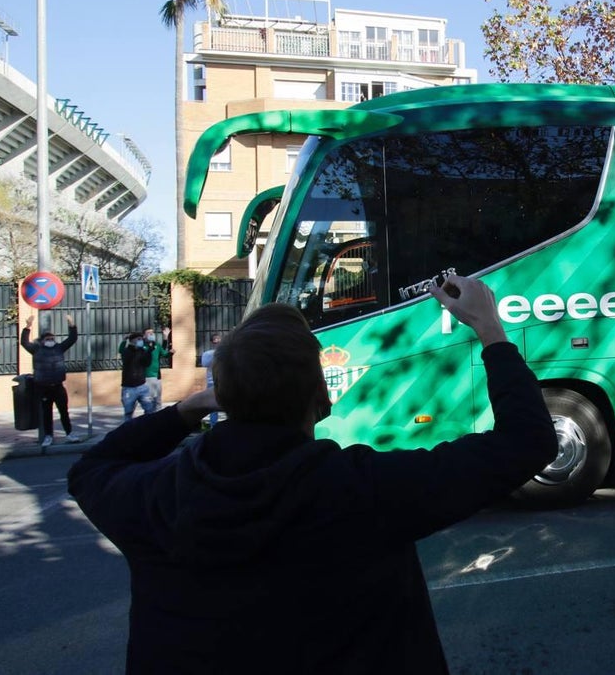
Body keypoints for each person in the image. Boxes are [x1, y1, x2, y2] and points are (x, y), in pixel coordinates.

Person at [68, 275, 558, 674]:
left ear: (224, 397)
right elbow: (527, 442)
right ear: (321, 401)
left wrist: (187, 409)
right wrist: (489, 330)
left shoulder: (153, 497)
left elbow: (93, 467)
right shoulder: (362, 490)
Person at [20, 313, 80, 447]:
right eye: (48, 338)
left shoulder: (59, 348)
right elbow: (24, 342)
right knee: (47, 413)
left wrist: (72, 324)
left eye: (52, 338)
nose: (51, 340)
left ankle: (69, 433)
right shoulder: (36, 349)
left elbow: (72, 339)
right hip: (43, 387)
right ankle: (48, 436)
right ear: (42, 340)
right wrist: (28, 327)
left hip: (58, 386)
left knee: (64, 411)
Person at [118, 332, 155, 420]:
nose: (140, 341)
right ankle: (128, 431)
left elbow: (147, 363)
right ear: (132, 341)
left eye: (141, 339)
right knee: (128, 412)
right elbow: (124, 354)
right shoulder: (127, 351)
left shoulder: (142, 351)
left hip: (142, 385)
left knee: (149, 409)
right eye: (138, 339)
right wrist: (126, 341)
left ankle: (148, 428)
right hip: (129, 388)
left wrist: (149, 349)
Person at [142, 326, 174, 408]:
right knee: (150, 399)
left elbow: (164, 354)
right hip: (148, 376)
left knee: (158, 399)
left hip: (157, 376)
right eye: (149, 333)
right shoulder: (142, 347)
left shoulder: (157, 345)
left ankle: (158, 417)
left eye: (152, 333)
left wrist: (170, 352)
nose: (152, 334)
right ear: (144, 336)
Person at [199, 333, 222, 427]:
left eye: (219, 340)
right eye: (215, 340)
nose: (217, 342)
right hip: (211, 382)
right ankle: (213, 425)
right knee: (213, 405)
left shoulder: (227, 352)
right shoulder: (207, 354)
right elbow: (205, 364)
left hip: (224, 382)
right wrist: (216, 354)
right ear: (212, 342)